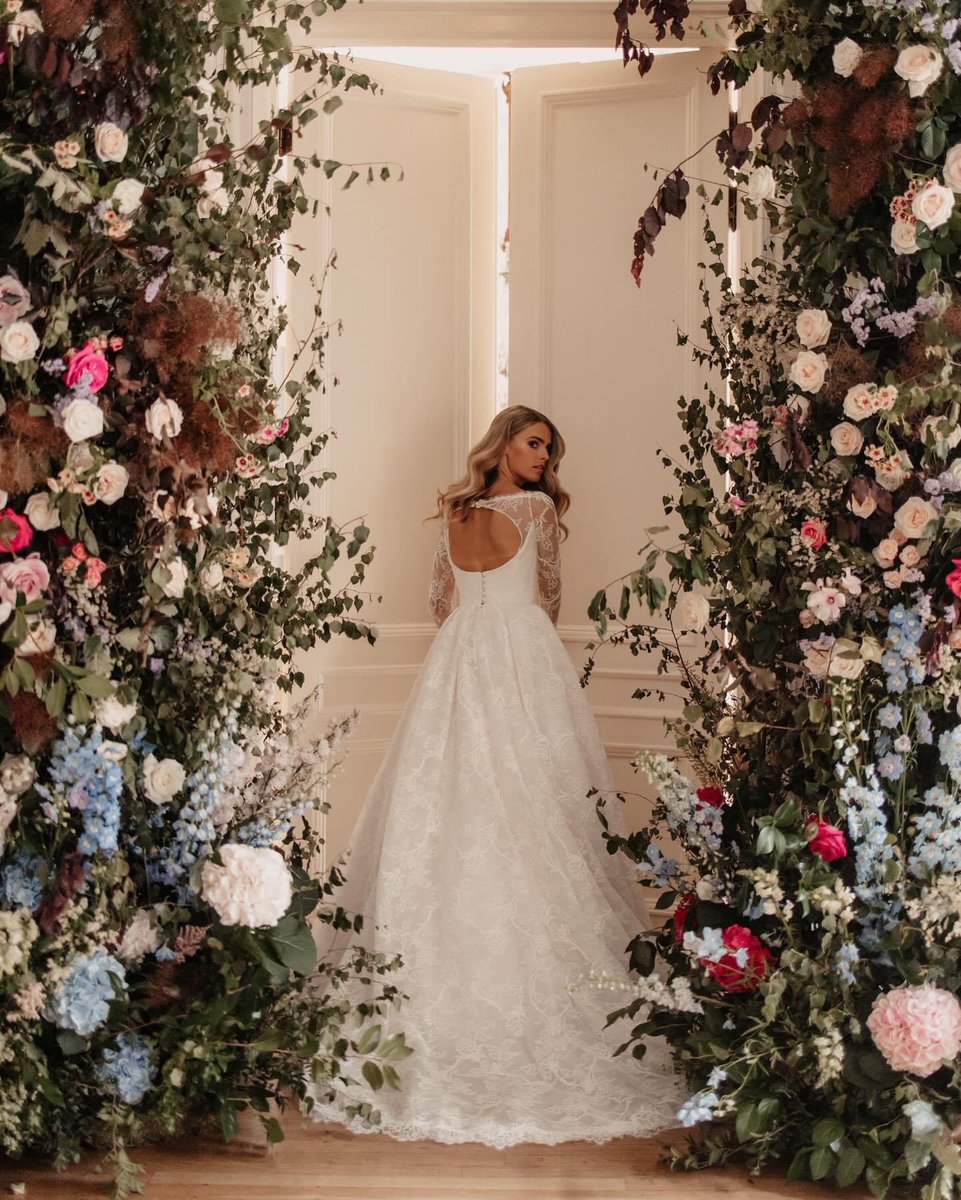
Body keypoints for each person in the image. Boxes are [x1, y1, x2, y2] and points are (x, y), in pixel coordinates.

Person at [307, 405, 679, 1145]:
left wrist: (478, 620)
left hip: (456, 660)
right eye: (534, 441)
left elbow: (438, 605)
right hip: (522, 658)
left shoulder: (455, 512)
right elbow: (548, 599)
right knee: (535, 808)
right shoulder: (536, 510)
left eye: (549, 448)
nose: (543, 457)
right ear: (503, 442)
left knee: (453, 807)